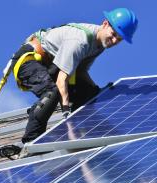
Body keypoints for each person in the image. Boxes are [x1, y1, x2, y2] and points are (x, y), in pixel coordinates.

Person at [11, 8, 138, 144]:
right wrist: (66, 113)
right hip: (29, 60)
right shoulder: (80, 41)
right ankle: (31, 142)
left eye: (118, 40)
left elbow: (80, 72)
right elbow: (61, 80)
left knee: (90, 93)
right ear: (105, 24)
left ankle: (84, 131)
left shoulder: (99, 45)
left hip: (51, 66)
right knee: (52, 92)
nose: (113, 41)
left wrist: (96, 91)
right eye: (113, 35)